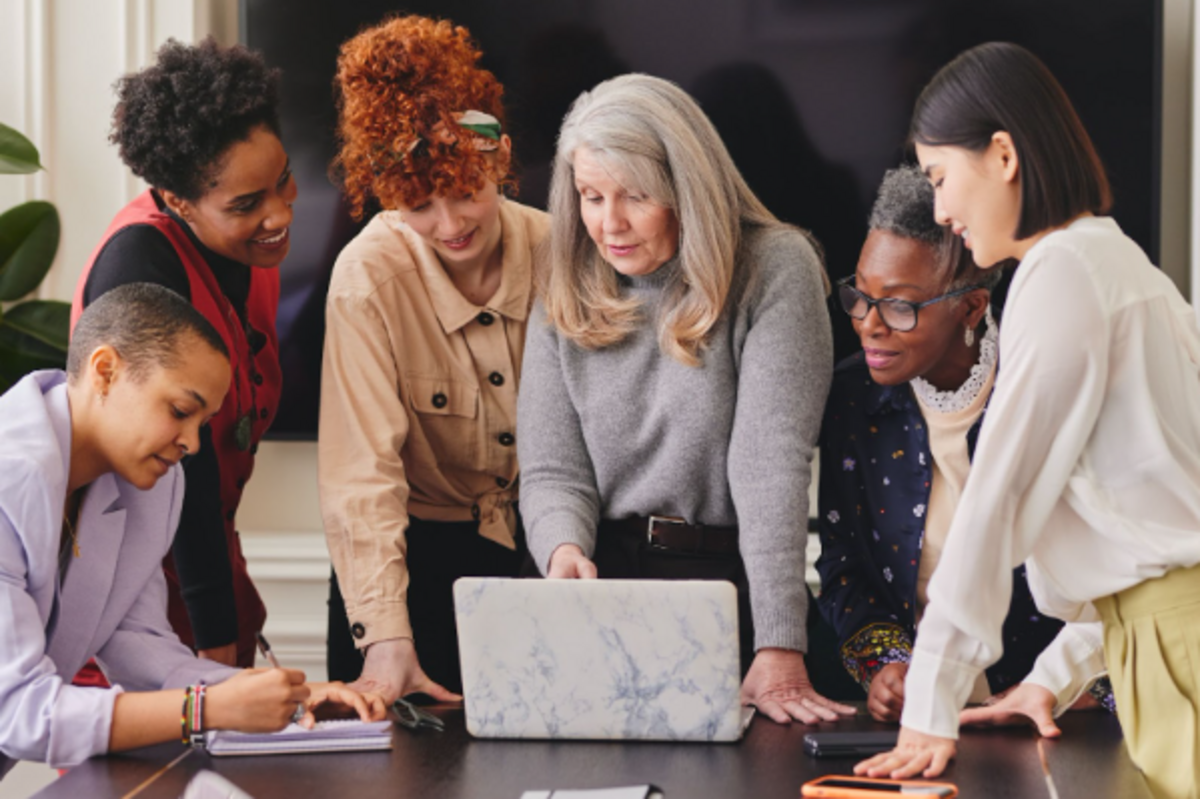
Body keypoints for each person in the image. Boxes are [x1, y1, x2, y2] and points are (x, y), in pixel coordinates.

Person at [855, 43, 1200, 799]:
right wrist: (1052, 676)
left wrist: (931, 702)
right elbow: (1149, 542)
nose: (941, 210)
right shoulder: (1121, 266)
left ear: (1004, 154)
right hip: (1157, 643)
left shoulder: (1060, 272)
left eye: (942, 178)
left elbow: (998, 500)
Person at [517, 73, 854, 725]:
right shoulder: (562, 275)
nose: (607, 223)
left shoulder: (774, 266)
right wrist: (562, 552)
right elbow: (554, 469)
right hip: (595, 589)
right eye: (590, 196)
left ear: (685, 188)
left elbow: (769, 467)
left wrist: (780, 642)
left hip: (721, 589)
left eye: (635, 197)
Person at [0, 284, 383, 778]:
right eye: (181, 411)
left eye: (203, 422)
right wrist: (203, 709)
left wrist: (290, 698)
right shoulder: (8, 471)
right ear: (105, 371)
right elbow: (17, 713)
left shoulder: (151, 484)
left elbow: (141, 646)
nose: (192, 443)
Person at [818, 165, 1117, 722]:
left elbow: (1112, 574)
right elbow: (843, 567)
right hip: (928, 716)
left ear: (972, 308)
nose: (869, 325)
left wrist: (1051, 685)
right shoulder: (851, 399)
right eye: (859, 296)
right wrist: (890, 665)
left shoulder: (1047, 381)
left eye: (899, 306)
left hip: (1063, 712)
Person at [318, 15, 550, 701]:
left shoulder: (566, 252)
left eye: (466, 191)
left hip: (547, 554)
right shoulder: (366, 279)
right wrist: (388, 636)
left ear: (500, 158)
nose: (449, 227)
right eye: (418, 205)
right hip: (412, 568)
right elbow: (362, 476)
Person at [71, 38, 295, 669]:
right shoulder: (138, 263)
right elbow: (182, 477)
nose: (280, 214)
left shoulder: (255, 252)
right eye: (247, 205)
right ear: (177, 200)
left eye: (282, 181)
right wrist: (214, 641)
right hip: (137, 608)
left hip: (213, 575)